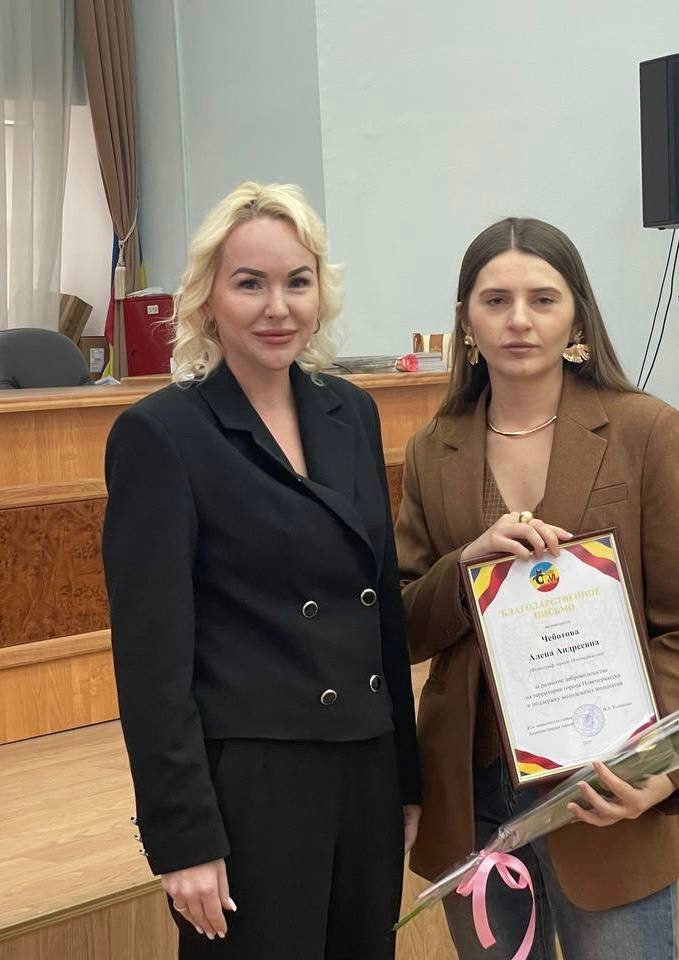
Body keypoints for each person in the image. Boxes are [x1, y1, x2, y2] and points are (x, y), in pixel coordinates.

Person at [102, 182, 420, 959]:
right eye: (250, 284)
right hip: (253, 787)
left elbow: (380, 611)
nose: (278, 307)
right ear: (208, 299)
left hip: (365, 767)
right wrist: (183, 838)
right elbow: (152, 664)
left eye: (297, 282)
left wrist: (406, 779)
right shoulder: (162, 434)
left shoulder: (352, 411)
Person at [394, 218, 679, 960]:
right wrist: (466, 566)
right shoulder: (431, 450)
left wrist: (662, 769)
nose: (519, 320)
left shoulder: (644, 430)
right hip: (472, 794)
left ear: (577, 316)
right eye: (496, 300)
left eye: (542, 299)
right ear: (466, 321)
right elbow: (404, 626)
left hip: (609, 787)